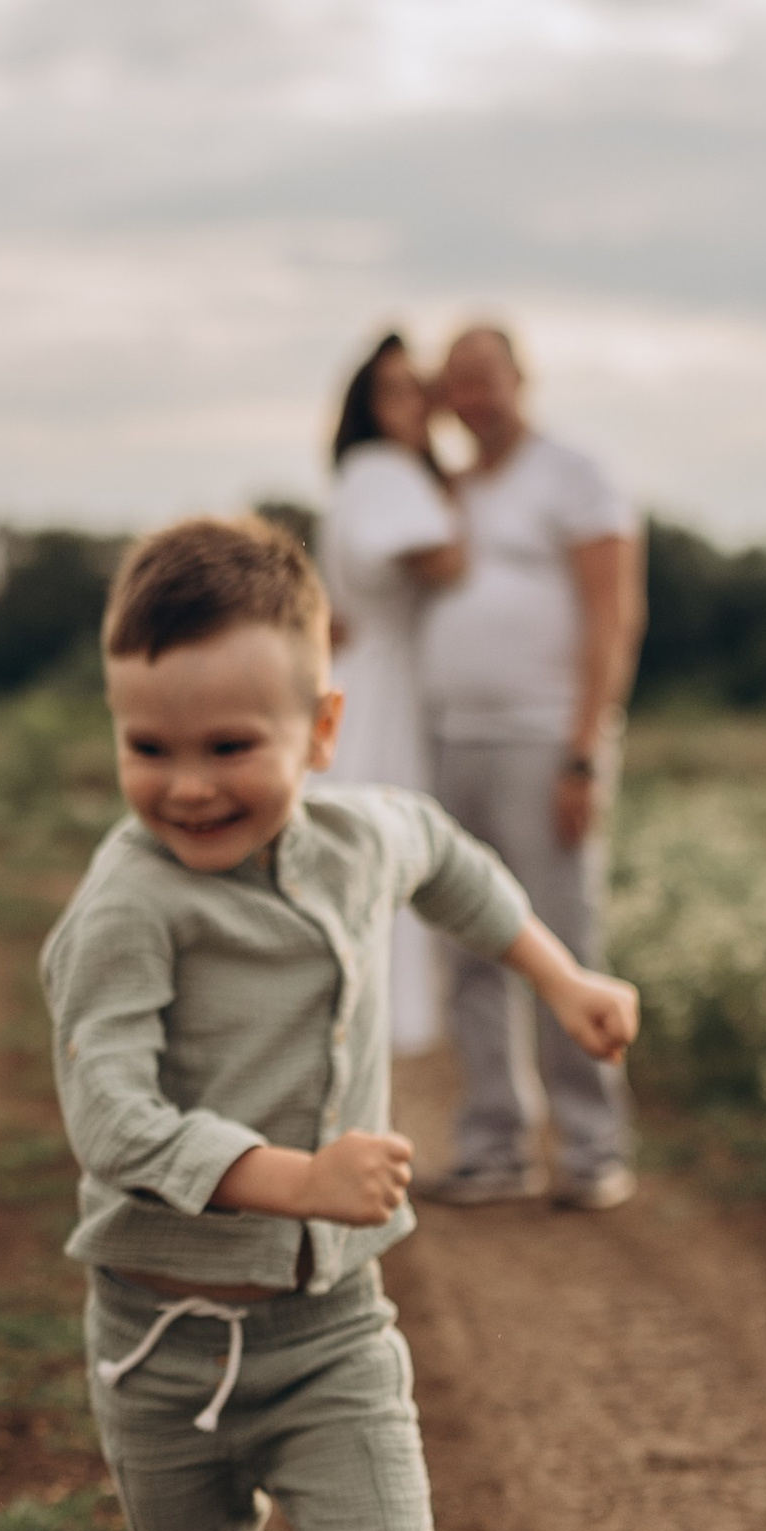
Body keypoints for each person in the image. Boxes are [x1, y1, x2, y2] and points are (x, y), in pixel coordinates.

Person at [39, 513, 639, 1531]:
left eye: (229, 745)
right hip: (161, 1351)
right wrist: (296, 1176)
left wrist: (563, 978)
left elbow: (455, 865)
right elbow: (110, 1119)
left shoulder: (362, 836)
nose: (185, 784)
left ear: (321, 727)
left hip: (329, 1339)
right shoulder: (128, 907)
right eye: (147, 746)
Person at [417, 324, 645, 1209]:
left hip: (545, 738)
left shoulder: (576, 476)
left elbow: (613, 615)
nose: (472, 398)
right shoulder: (445, 488)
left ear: (521, 378)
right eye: (455, 384)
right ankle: (494, 1145)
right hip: (451, 737)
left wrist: (584, 752)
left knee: (563, 936)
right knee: (467, 941)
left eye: (484, 379)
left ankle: (591, 1149)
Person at [318, 333, 466, 1055]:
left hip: (359, 676)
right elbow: (444, 560)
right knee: (379, 851)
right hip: (378, 690)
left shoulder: (361, 474)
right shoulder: (387, 473)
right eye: (397, 390)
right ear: (369, 406)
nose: (415, 404)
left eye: (422, 389)